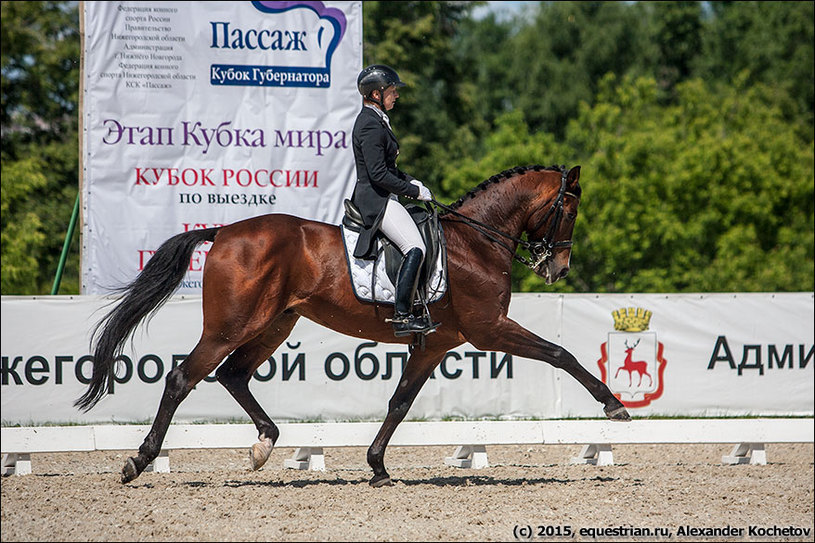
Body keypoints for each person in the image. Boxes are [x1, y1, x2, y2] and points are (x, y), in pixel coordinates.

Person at [350, 64, 439, 337]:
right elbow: (377, 174)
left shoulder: (377, 120)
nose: (396, 96)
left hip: (383, 194)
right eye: (392, 91)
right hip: (375, 200)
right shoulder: (369, 124)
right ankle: (402, 315)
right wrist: (412, 192)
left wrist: (412, 181)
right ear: (376, 94)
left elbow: (389, 169)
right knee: (416, 247)